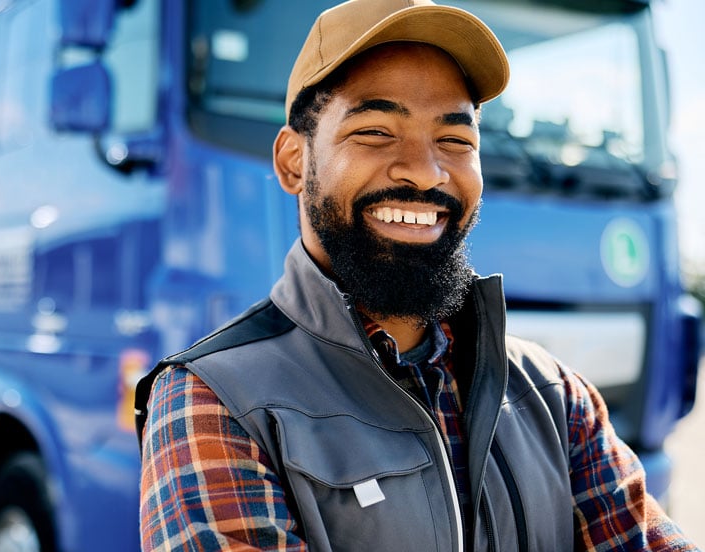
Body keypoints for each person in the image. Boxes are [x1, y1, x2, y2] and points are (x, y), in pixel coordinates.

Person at [134, 0, 699, 550]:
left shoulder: (555, 396)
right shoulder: (212, 400)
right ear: (293, 162)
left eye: (455, 140)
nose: (426, 173)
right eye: (376, 131)